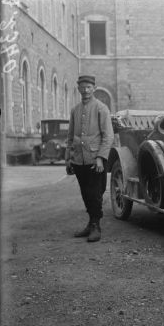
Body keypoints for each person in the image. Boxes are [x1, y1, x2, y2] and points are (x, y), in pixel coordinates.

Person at [65, 75, 114, 242]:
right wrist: (68, 159)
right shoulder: (75, 110)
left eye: (88, 87)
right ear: (78, 89)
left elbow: (108, 137)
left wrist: (100, 158)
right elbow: (70, 137)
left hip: (95, 160)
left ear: (93, 88)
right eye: (82, 87)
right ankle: (91, 223)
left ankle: (96, 226)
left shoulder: (101, 108)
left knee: (95, 194)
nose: (85, 90)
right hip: (79, 159)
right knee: (85, 193)